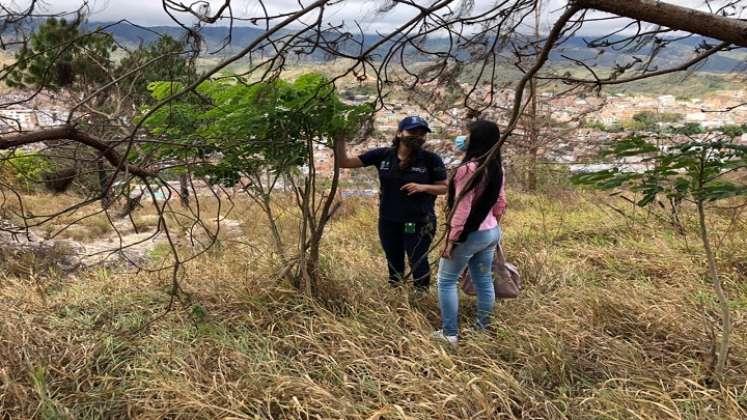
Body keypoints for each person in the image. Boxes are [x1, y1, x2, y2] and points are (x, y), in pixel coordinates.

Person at [336, 116, 448, 290]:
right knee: (394, 262)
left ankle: (421, 297)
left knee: (418, 260)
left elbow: (443, 188)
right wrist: (339, 138)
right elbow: (345, 162)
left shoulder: (431, 159)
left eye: (421, 134)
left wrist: (423, 187)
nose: (417, 137)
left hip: (419, 221)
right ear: (399, 133)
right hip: (389, 220)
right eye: (412, 132)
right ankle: (396, 295)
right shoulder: (383, 155)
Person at [434, 120, 507, 344]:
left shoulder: (467, 169)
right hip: (490, 232)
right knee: (483, 281)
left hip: (469, 235)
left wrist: (451, 240)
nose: (463, 139)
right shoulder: (496, 166)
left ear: (477, 140)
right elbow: (501, 202)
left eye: (468, 135)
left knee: (446, 281)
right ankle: (482, 329)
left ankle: (449, 334)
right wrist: (492, 223)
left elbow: (461, 209)